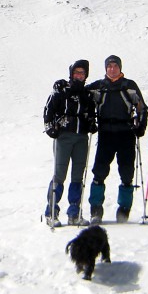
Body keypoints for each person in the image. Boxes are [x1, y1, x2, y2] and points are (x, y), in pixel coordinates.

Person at [86, 55, 148, 223]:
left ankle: (124, 211)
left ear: (120, 68)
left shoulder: (129, 86)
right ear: (106, 69)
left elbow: (141, 107)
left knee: (127, 174)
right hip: (106, 133)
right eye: (109, 66)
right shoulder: (98, 87)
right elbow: (81, 94)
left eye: (115, 66)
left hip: (126, 134)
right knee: (99, 172)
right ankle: (96, 211)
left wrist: (140, 126)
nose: (112, 69)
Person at [42, 59, 98, 226]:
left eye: (82, 73)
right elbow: (48, 110)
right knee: (59, 174)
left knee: (77, 175)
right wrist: (50, 127)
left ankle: (74, 212)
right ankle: (51, 211)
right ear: (71, 73)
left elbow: (91, 113)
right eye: (76, 72)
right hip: (64, 136)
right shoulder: (61, 90)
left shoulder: (87, 94)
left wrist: (91, 124)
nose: (79, 75)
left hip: (81, 137)